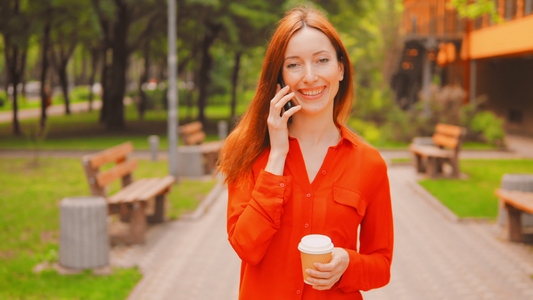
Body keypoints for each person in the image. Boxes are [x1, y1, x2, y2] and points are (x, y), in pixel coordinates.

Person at [218, 6, 393, 300]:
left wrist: (348, 263)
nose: (310, 77)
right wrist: (277, 156)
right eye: (294, 65)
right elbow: (245, 247)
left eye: (321, 61)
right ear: (280, 76)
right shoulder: (250, 153)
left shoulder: (370, 163)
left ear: (340, 68)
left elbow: (381, 266)